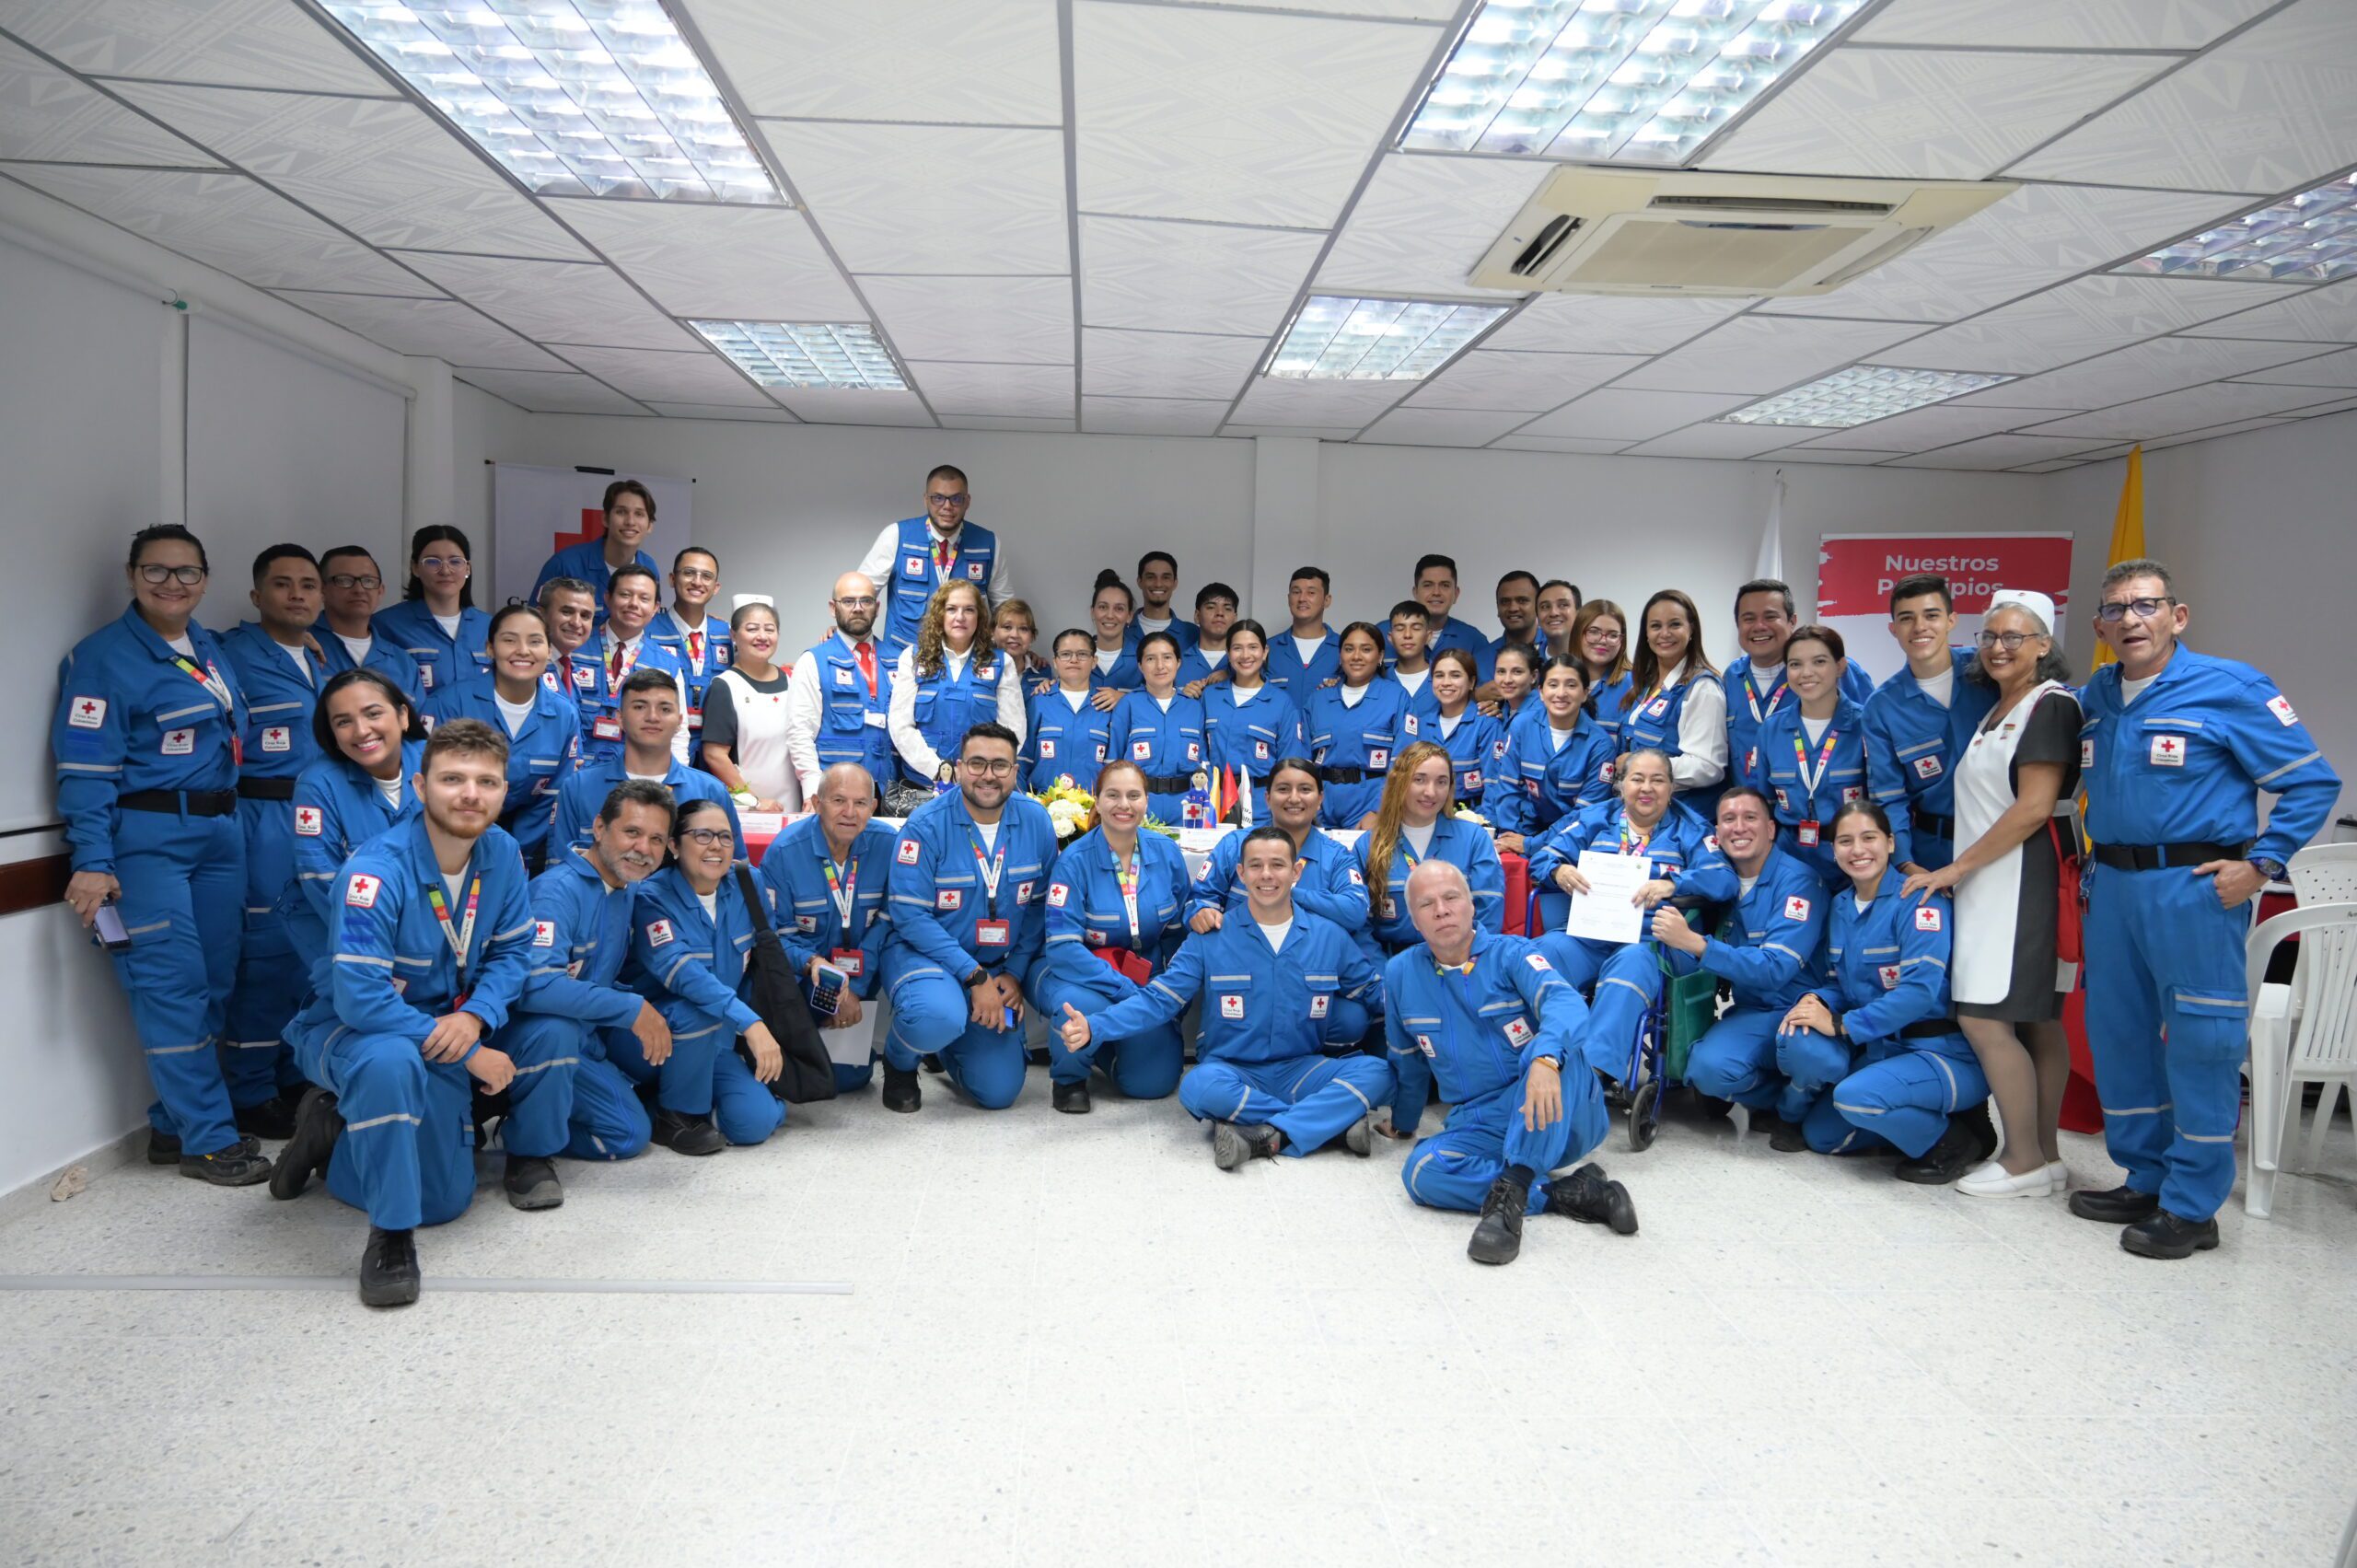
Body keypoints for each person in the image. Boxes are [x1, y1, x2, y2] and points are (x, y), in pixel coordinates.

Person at [2070, 558, 2339, 1258]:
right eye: (2116, 609)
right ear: (2099, 626)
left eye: (2146, 604)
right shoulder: (2095, 696)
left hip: (2194, 887)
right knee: (2120, 1037)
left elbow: (2313, 782)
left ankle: (2193, 1205)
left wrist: (2262, 864)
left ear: (2177, 616)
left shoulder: (2232, 687)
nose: (2131, 619)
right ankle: (2146, 1177)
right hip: (2113, 885)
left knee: (2201, 1041)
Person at [268, 719, 538, 1307]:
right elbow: (361, 998)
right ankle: (390, 1239)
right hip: (354, 1029)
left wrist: (475, 1017)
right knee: (389, 1064)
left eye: (487, 781)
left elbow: (515, 951)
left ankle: (333, 1132)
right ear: (420, 787)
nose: (470, 794)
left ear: (503, 791)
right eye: (453, 779)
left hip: (445, 1028)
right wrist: (470, 1050)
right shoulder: (375, 872)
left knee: (442, 1202)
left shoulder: (503, 852)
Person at [54, 525, 263, 1184]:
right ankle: (208, 1140)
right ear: (131, 574)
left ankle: (173, 1126)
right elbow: (85, 771)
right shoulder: (103, 659)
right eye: (157, 570)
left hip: (220, 833)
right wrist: (93, 859)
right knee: (171, 988)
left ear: (205, 579)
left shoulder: (208, 646)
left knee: (217, 981)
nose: (172, 583)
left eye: (186, 571)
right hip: (148, 840)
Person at [1057, 826, 1388, 1167]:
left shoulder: (1329, 936)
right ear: (1241, 874)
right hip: (1232, 1071)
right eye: (1256, 866)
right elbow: (1160, 999)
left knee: (1377, 1072)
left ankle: (1265, 1132)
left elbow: (1373, 992)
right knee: (1197, 1087)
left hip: (1301, 1069)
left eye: (1277, 865)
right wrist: (1095, 1027)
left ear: (1297, 872)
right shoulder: (1211, 936)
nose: (1267, 875)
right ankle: (1327, 1126)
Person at [1897, 590, 2080, 1200]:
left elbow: (2033, 808)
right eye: (1991, 636)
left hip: (2022, 880)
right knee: (2033, 1020)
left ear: (2044, 644)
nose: (1999, 647)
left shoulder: (2050, 706)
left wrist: (1955, 869)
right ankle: (2045, 1157)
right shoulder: (2001, 706)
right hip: (1991, 880)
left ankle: (2022, 1157)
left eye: (2015, 636)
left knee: (1985, 1014)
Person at [1387, 860, 1636, 1265]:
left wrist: (1544, 1059)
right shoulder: (1400, 974)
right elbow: (1407, 1059)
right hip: (1481, 1120)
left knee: (1561, 1053)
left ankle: (1509, 1201)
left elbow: (1565, 1003)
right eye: (1426, 904)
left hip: (1560, 1111)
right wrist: (1403, 1122)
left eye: (1451, 898)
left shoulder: (1514, 954)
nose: (1442, 911)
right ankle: (1563, 1194)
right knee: (1421, 1173)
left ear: (1471, 905)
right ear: (1413, 919)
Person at [1782, 801, 1994, 1181]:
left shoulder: (1919, 900)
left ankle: (1954, 1139)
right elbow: (1838, 982)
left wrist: (1842, 1025)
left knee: (1855, 1098)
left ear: (1891, 843)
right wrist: (1818, 1000)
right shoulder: (1841, 906)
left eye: (1869, 838)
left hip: (1939, 1052)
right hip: (1884, 1050)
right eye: (1845, 841)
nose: (1858, 850)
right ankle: (1908, 1119)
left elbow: (1919, 993)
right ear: (1834, 851)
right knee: (1822, 1136)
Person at [491, 781, 672, 1180]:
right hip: (534, 1039)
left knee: (633, 1127)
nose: (643, 848)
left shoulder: (624, 888)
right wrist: (631, 1008)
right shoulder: (556, 893)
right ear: (599, 828)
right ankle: (526, 1139)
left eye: (656, 839)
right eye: (632, 832)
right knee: (624, 1132)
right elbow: (535, 985)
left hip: (585, 1038)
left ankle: (544, 1110)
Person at [877, 723, 1057, 1112]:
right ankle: (900, 1062)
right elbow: (910, 917)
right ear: (958, 768)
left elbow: (1039, 907)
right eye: (977, 763)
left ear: (1015, 771)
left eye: (1000, 765)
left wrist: (1015, 973)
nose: (988, 775)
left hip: (996, 966)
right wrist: (973, 976)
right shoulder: (925, 825)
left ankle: (944, 1046)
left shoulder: (1036, 821)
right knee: (934, 1016)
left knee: (999, 1092)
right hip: (927, 958)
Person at [217, 543, 329, 1133]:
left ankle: (291, 1074)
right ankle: (251, 1088)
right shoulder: (230, 653)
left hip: (321, 816)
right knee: (263, 954)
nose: (297, 594)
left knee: (308, 951)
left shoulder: (322, 657)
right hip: (263, 817)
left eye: (308, 584)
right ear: (257, 595)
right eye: (283, 584)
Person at [1655, 786, 1833, 1143]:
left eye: (1750, 818)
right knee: (1707, 1070)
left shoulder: (1798, 882)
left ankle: (1801, 1106)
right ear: (1717, 833)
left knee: (1805, 1052)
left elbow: (1775, 969)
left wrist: (1695, 944)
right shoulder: (1723, 885)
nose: (1739, 827)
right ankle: (1778, 1097)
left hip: (1800, 1009)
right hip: (1753, 1011)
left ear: (1771, 828)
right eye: (1728, 820)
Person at [614, 796, 787, 1153]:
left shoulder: (748, 883)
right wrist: (750, 1023)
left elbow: (769, 950)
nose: (716, 846)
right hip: (654, 1039)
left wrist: (813, 963)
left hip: (717, 1040)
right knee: (693, 1012)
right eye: (703, 835)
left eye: (725, 837)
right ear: (674, 846)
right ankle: (676, 1113)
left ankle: (657, 1102)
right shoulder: (651, 897)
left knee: (755, 1121)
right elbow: (681, 971)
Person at [1025, 761, 1194, 1111]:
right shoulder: (1074, 862)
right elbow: (1063, 950)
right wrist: (1127, 990)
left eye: (1134, 795)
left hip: (1144, 978)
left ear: (1146, 801)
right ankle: (1069, 1078)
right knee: (1081, 1006)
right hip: (1078, 975)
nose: (1124, 805)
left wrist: (1170, 995)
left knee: (1153, 1083)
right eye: (1113, 795)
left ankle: (1104, 1051)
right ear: (1098, 802)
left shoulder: (1167, 853)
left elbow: (1177, 937)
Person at [1363, 743, 1506, 1128]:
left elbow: (1488, 912)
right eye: (1420, 780)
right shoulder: (1371, 843)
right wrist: (1383, 977)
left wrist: (1467, 968)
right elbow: (1361, 928)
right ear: (1399, 782)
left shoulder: (1472, 838)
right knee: (1388, 1070)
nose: (1431, 792)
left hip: (1460, 964)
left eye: (1442, 782)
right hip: (1399, 969)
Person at [759, 762, 895, 1094]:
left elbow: (889, 922)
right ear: (817, 804)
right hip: (809, 979)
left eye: (860, 803)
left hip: (863, 978)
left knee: (849, 1079)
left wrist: (854, 988)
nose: (849, 812)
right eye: (838, 801)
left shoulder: (889, 845)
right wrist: (829, 981)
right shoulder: (784, 853)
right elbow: (776, 937)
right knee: (817, 1078)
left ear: (873, 807)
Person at [284, 669, 424, 977]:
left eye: (373, 714)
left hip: (433, 930)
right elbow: (321, 879)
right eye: (343, 722)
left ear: (403, 716)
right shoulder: (317, 785)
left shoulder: (438, 763)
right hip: (344, 932)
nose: (361, 731)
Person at [1527, 748, 1731, 955]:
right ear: (1622, 786)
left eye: (1658, 780)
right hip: (1590, 934)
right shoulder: (1595, 818)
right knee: (1543, 953)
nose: (1647, 788)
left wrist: (1673, 884)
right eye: (1637, 779)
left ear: (1671, 788)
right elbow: (1542, 858)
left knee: (1630, 961)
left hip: (1653, 941)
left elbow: (1724, 878)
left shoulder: (1691, 829)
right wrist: (1558, 871)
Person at [1747, 624, 1905, 890]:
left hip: (1854, 862)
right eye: (1795, 664)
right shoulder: (1771, 730)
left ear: (1840, 666)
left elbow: (1887, 800)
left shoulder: (1867, 725)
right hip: (1789, 862)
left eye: (1819, 662)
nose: (1806, 673)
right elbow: (1762, 803)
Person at [424, 603, 580, 872]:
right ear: (490, 648)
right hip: (450, 843)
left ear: (548, 651)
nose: (523, 650)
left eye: (535, 641)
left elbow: (555, 795)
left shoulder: (564, 715)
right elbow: (429, 782)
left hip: (527, 853)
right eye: (510, 640)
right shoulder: (449, 704)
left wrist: (509, 848)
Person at [1864, 574, 1996, 875]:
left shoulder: (1990, 671)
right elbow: (1889, 796)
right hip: (1932, 853)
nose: (1919, 627)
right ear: (1893, 629)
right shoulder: (1882, 707)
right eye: (1906, 618)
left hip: (2001, 841)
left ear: (1952, 620)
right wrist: (1906, 864)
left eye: (1931, 615)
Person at [1189, 757, 1374, 959]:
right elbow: (1198, 900)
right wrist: (1202, 912)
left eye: (1305, 789)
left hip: (1311, 964)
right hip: (1239, 959)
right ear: (1267, 798)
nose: (1294, 798)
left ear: (1320, 799)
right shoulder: (1234, 845)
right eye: (1283, 789)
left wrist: (1288, 893)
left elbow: (1355, 912)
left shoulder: (1336, 857)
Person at [552, 668, 740, 854]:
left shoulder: (710, 792)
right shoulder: (579, 787)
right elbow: (559, 866)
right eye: (639, 707)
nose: (652, 717)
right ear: (620, 718)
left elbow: (737, 867)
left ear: (679, 721)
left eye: (665, 709)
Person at [1725, 577, 1875, 787]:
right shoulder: (1731, 678)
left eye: (1770, 616)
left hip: (1825, 799)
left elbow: (1874, 733)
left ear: (1792, 621)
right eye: (1748, 619)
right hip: (1749, 802)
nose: (1759, 626)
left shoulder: (1840, 672)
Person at [858, 464, 1013, 657]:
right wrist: (844, 632)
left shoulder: (988, 543)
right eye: (938, 498)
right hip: (903, 660)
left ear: (967, 501)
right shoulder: (897, 536)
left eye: (956, 498)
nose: (947, 506)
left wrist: (1021, 653)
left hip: (966, 662)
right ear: (926, 500)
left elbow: (1006, 610)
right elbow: (859, 593)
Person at [888, 579, 1026, 790]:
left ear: (979, 617)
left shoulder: (1001, 662)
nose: (960, 617)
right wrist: (940, 771)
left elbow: (1014, 729)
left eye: (969, 610)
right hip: (922, 783)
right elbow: (900, 725)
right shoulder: (913, 658)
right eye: (951, 609)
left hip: (981, 784)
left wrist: (980, 770)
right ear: (939, 615)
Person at [784, 572, 895, 805]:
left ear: (877, 607)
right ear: (833, 608)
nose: (858, 608)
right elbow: (800, 732)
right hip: (834, 793)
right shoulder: (814, 661)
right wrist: (812, 791)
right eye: (848, 601)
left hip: (888, 792)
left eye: (866, 601)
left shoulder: (899, 660)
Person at [1487, 656, 1616, 854]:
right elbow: (1508, 787)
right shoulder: (1522, 726)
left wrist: (1532, 845)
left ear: (1585, 693)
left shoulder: (1600, 745)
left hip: (1574, 842)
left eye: (1571, 685)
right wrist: (1509, 836)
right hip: (1525, 831)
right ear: (1541, 692)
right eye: (1553, 685)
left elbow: (1586, 814)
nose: (1561, 693)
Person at [1620, 588, 1728, 810]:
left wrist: (1639, 766)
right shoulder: (1646, 683)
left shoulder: (1702, 688)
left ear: (1691, 629)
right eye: (1656, 626)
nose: (1665, 633)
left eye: (1675, 624)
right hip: (1643, 810)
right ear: (1646, 634)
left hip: (1680, 814)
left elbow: (1708, 767)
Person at [573, 563, 689, 767]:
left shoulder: (666, 664)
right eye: (625, 595)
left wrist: (675, 779)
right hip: (577, 770)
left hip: (636, 773)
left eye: (644, 598)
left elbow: (678, 733)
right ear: (608, 598)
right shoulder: (575, 647)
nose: (634, 604)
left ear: (655, 608)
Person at [1306, 621, 1417, 830]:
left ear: (1380, 656)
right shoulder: (1318, 700)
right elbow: (1302, 759)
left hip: (1370, 804)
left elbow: (1405, 762)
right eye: (1349, 649)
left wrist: (1380, 810)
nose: (1356, 656)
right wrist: (1307, 807)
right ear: (1340, 655)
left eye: (1366, 649)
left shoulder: (1396, 698)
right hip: (1321, 807)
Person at [1200, 620, 1304, 825]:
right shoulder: (1210, 697)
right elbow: (1199, 751)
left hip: (1261, 808)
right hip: (1214, 804)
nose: (1245, 655)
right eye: (1237, 648)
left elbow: (1289, 764)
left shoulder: (1281, 703)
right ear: (1228, 653)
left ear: (1265, 652)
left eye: (1253, 647)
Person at [701, 599, 799, 816]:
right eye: (752, 629)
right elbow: (714, 754)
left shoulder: (793, 680)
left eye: (770, 629)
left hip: (793, 805)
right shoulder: (725, 686)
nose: (762, 636)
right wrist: (753, 800)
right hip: (748, 809)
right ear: (734, 635)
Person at [373, 525, 490, 698]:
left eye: (455, 561)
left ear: (468, 568)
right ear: (415, 568)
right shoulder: (385, 626)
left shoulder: (491, 627)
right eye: (433, 561)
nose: (445, 571)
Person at [1106, 633, 1208, 825]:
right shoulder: (1128, 704)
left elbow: (1203, 762)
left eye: (1167, 657)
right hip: (1140, 803)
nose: (1160, 666)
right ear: (1140, 666)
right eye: (1151, 659)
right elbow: (1114, 762)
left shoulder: (1194, 708)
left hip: (1186, 804)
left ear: (1178, 662)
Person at [646, 545, 731, 760]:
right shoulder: (647, 630)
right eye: (689, 573)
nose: (697, 582)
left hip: (717, 749)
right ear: (672, 579)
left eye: (706, 576)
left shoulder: (728, 634)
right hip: (662, 746)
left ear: (716, 587)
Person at [532, 477, 661, 613]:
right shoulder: (564, 565)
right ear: (605, 519)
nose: (630, 522)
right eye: (621, 512)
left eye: (639, 514)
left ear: (650, 526)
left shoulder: (649, 568)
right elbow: (534, 621)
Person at [315, 545, 424, 701]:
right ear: (321, 589)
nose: (359, 590)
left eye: (368, 581)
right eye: (344, 580)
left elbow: (417, 716)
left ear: (380, 591)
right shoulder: (302, 648)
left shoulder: (403, 663)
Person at [1024, 628, 1116, 795]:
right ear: (1055, 661)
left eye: (1082, 654)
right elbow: (1023, 759)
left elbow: (1115, 767)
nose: (1074, 660)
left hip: (1092, 804)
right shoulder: (1038, 701)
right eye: (1066, 654)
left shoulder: (1108, 705)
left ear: (1094, 661)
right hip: (1042, 801)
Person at [1425, 648, 1504, 811]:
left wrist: (1483, 822)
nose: (1446, 682)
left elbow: (1494, 784)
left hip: (1472, 815)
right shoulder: (1421, 725)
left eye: (1455, 675)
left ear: (1471, 683)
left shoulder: (1486, 724)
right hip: (1427, 815)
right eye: (1439, 675)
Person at [1265, 566, 1341, 702]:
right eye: (1296, 592)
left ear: (1327, 600)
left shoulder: (1344, 649)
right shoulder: (1267, 649)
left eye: (1311, 592)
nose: (1302, 598)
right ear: (1289, 598)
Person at [1403, 553, 1487, 668]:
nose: (1436, 592)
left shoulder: (1474, 640)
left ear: (1456, 594)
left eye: (1445, 585)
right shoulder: (1384, 634)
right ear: (1415, 592)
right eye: (1428, 585)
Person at [1570, 599, 1633, 747]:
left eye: (1613, 635)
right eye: (1594, 632)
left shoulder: (1634, 685)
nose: (1603, 641)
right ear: (1578, 633)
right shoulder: (1558, 680)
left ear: (1622, 641)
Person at [537, 576, 598, 710]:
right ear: (541, 615)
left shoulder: (571, 669)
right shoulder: (528, 667)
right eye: (567, 612)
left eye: (585, 616)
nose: (576, 623)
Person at [1125, 551, 1199, 655]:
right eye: (1151, 577)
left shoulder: (1193, 634)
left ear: (1175, 583)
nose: (1158, 584)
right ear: (1139, 581)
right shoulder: (1121, 631)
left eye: (1166, 577)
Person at [1083, 573, 1141, 704]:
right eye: (1103, 607)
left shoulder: (1144, 656)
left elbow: (1160, 701)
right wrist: (1048, 685)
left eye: (1119, 609)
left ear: (1129, 616)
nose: (1110, 615)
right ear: (1093, 612)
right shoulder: (1076, 655)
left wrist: (1124, 699)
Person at [1176, 583, 1241, 696]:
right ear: (1197, 616)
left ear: (1235, 619)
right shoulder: (1175, 663)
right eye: (1211, 607)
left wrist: (1236, 677)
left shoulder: (1247, 663)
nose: (1220, 613)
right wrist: (1180, 698)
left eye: (1227, 609)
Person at [1485, 569, 1540, 682]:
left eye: (1522, 600)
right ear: (1498, 608)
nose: (1513, 608)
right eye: (1505, 602)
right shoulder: (1481, 659)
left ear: (1538, 605)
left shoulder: (1555, 649)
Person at [1386, 599, 1436, 714]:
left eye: (1416, 628)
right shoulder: (1380, 681)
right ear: (1390, 637)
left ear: (1428, 636)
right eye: (1400, 629)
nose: (1407, 635)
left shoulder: (1445, 679)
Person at [993, 598, 1050, 691]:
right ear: (992, 632)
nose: (1015, 635)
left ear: (1032, 636)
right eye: (1007, 627)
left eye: (1023, 629)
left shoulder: (1043, 671)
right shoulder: (979, 668)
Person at [1488, 642, 1538, 728]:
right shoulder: (1502, 709)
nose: (1507, 680)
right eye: (1501, 671)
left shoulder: (1541, 715)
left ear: (1533, 676)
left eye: (1517, 672)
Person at [1534, 579, 1581, 661]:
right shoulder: (1529, 663)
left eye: (1563, 605)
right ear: (1537, 616)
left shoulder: (1595, 661)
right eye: (1545, 607)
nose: (1553, 613)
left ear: (1578, 613)